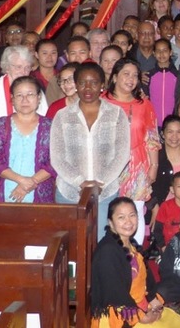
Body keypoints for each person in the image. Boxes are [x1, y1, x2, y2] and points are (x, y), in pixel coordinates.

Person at [90, 197, 180, 328]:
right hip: (117, 321)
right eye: (121, 217)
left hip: (138, 304)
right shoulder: (108, 251)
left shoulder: (131, 243)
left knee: (179, 324)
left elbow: (146, 278)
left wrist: (152, 302)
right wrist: (142, 317)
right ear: (111, 222)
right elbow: (115, 294)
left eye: (132, 215)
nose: (128, 222)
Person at [50, 62, 131, 234]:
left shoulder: (116, 114)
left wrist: (99, 183)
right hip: (69, 193)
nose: (87, 88)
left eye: (94, 82)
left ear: (102, 85)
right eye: (82, 82)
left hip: (105, 193)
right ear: (76, 85)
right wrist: (80, 183)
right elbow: (57, 157)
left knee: (101, 245)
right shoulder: (62, 116)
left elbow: (122, 154)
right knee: (71, 248)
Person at [105, 57, 160, 244]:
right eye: (126, 74)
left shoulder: (144, 104)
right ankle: (112, 255)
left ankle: (132, 257)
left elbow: (152, 136)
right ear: (114, 77)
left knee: (135, 210)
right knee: (110, 210)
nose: (131, 79)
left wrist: (154, 165)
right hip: (108, 163)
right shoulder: (102, 102)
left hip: (138, 163)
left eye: (135, 75)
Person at [0, 75, 56, 204]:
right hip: (6, 193)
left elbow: (56, 161)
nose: (25, 100)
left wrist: (29, 184)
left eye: (30, 94)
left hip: (39, 193)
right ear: (12, 99)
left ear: (39, 97)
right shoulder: (1, 125)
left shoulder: (50, 126)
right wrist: (22, 180)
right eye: (19, 95)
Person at [0, 45, 47, 147]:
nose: (23, 72)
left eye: (27, 67)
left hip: (31, 147)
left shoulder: (36, 90)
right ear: (7, 67)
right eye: (18, 67)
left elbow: (44, 121)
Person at [147, 38, 178, 124]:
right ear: (154, 53)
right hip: (153, 121)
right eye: (158, 51)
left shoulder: (177, 75)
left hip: (172, 121)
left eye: (165, 50)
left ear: (170, 52)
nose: (161, 54)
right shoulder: (149, 75)